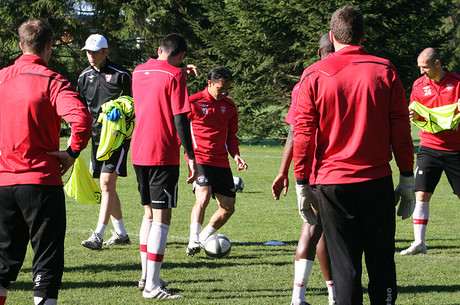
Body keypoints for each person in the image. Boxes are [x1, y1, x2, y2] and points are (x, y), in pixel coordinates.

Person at [293, 6, 415, 304]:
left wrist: (301, 183)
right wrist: (408, 179)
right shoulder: (384, 70)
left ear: (332, 36)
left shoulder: (314, 73)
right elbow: (400, 130)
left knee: (345, 266)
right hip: (375, 180)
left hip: (333, 183)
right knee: (381, 261)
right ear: (363, 35)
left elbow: (303, 133)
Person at [0, 18, 92, 305]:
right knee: (46, 259)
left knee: (2, 262)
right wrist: (72, 153)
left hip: (3, 182)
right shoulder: (51, 81)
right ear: (50, 46)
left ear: (20, 44)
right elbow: (81, 119)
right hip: (40, 182)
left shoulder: (2, 77)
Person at [131, 33, 197, 299]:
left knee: (148, 214)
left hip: (138, 150)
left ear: (160, 49)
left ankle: (147, 276)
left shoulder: (138, 71)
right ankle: (152, 287)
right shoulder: (175, 76)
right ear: (180, 55)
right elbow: (180, 117)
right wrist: (190, 155)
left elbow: (158, 81)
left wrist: (178, 69)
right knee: (162, 218)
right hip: (162, 152)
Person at [272, 33, 335, 305]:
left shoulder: (305, 80)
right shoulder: (346, 74)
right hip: (338, 167)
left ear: (318, 50)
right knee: (328, 232)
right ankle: (332, 295)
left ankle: (305, 296)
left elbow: (294, 132)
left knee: (314, 228)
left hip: (311, 168)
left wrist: (284, 171)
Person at [400, 48, 460, 255]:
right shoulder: (418, 85)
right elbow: (415, 112)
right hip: (429, 146)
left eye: (425, 67)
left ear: (437, 63)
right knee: (422, 194)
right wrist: (414, 116)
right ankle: (419, 243)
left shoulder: (458, 83)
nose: (422, 72)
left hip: (456, 149)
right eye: (419, 67)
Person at [185, 66, 248, 257]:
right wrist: (190, 158)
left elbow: (232, 135)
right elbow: (183, 133)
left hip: (220, 161)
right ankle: (193, 239)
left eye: (227, 89)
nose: (224, 93)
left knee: (228, 208)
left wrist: (236, 154)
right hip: (200, 159)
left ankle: (203, 238)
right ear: (210, 83)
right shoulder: (193, 102)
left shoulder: (229, 106)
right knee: (203, 196)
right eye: (220, 88)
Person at [77, 34, 132, 250]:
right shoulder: (83, 77)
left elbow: (134, 104)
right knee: (106, 185)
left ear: (105, 52)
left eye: (94, 52)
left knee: (107, 184)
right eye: (87, 52)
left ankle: (97, 236)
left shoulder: (122, 75)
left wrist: (121, 111)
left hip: (117, 139)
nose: (90, 56)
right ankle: (121, 233)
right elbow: (80, 109)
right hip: (95, 139)